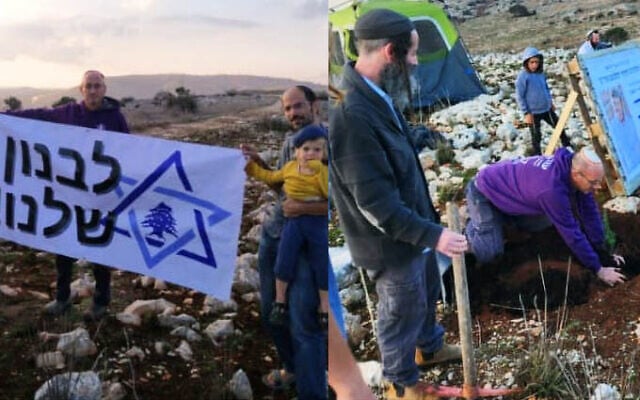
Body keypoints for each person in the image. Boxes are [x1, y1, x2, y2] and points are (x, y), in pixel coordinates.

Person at [329, 9, 468, 400]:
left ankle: (430, 346)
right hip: (389, 244)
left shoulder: (376, 96)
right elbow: (375, 205)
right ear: (390, 52)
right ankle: (403, 382)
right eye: (411, 55)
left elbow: (395, 135)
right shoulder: (352, 115)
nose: (414, 63)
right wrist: (435, 235)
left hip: (413, 229)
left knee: (425, 290)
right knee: (400, 307)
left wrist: (422, 136)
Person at [5, 70, 129, 321]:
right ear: (81, 90)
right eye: (88, 86)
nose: (93, 90)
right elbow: (37, 116)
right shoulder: (68, 113)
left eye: (97, 86)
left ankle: (101, 303)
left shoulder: (115, 117)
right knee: (63, 246)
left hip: (100, 198)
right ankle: (62, 298)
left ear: (104, 89)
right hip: (69, 196)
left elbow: (130, 151)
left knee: (100, 250)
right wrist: (5, 119)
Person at [241, 85, 327, 399]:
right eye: (287, 108)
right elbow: (283, 187)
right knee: (271, 314)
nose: (293, 113)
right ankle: (293, 369)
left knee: (305, 327)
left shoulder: (324, 142)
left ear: (313, 104)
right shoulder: (291, 141)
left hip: (306, 247)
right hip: (275, 237)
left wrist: (305, 208)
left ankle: (312, 391)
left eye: (298, 106)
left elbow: (340, 201)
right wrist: (259, 163)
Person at [464, 146, 627, 286]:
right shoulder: (551, 191)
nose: (598, 187)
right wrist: (598, 270)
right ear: (577, 175)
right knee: (490, 253)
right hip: (485, 192)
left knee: (545, 221)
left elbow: (590, 213)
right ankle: (472, 230)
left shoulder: (573, 170)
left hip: (510, 195)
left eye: (599, 181)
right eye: (593, 182)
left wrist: (602, 252)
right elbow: (572, 234)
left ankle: (499, 222)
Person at [245, 124, 329, 329]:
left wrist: (320, 171)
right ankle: (279, 302)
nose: (311, 154)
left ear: (323, 152)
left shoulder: (324, 171)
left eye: (317, 150)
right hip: (293, 223)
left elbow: (329, 196)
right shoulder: (290, 168)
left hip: (316, 224)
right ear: (296, 151)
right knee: (284, 258)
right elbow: (271, 177)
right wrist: (251, 167)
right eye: (306, 149)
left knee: (320, 264)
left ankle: (324, 308)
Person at [515, 47, 571, 155]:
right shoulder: (523, 76)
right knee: (536, 136)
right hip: (533, 112)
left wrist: (550, 102)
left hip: (546, 109)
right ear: (526, 62)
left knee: (559, 127)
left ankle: (568, 147)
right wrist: (526, 113)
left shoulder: (540, 73)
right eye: (532, 62)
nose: (534, 65)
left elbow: (545, 88)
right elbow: (519, 96)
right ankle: (537, 157)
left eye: (536, 62)